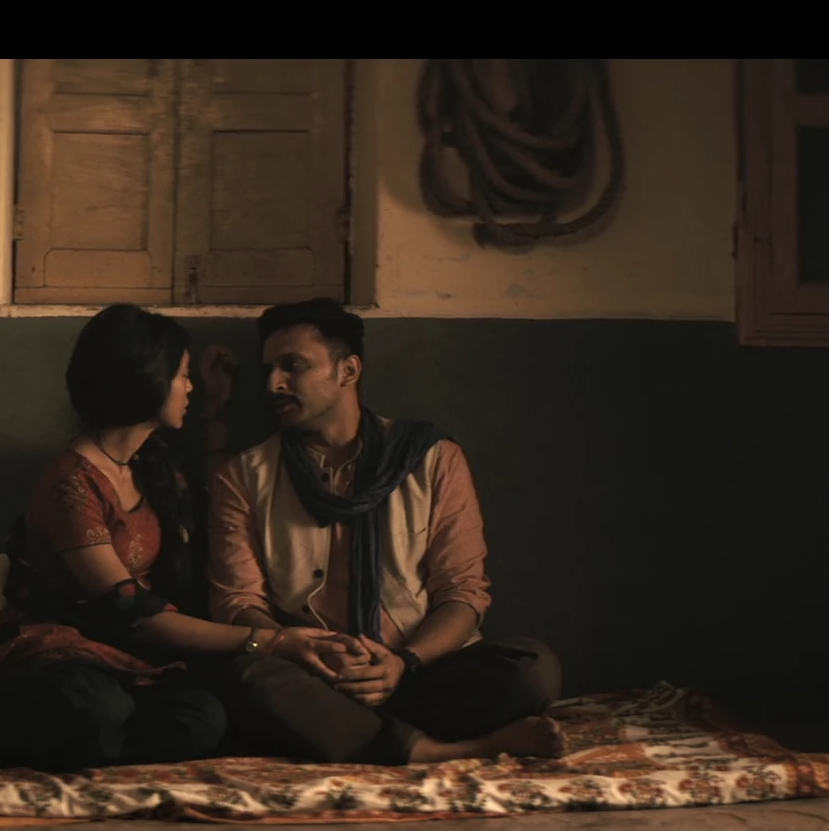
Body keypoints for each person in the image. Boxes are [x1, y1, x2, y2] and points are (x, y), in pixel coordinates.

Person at [0, 304, 351, 773]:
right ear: (147, 380)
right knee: (93, 708)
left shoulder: (151, 466)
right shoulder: (71, 482)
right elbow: (133, 611)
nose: (190, 386)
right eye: (183, 375)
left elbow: (208, 508)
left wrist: (216, 414)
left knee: (202, 719)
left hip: (131, 661)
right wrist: (270, 641)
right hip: (60, 654)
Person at [205, 298, 568, 766]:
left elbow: (463, 594)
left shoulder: (432, 458)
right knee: (247, 677)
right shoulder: (244, 475)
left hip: (419, 672)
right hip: (314, 674)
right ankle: (444, 748)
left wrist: (403, 662)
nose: (274, 384)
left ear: (348, 370)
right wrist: (308, 650)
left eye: (293, 366)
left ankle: (352, 735)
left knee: (532, 670)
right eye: (269, 369)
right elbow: (237, 602)